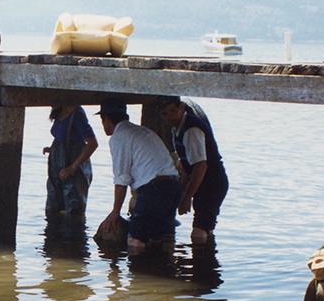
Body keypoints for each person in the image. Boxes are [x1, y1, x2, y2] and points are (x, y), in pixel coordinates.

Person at [97, 99, 181, 255]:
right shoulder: (142, 131)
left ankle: (140, 273)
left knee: (135, 240)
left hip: (154, 188)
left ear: (106, 119)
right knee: (162, 236)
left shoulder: (119, 137)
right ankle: (166, 271)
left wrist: (115, 212)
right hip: (174, 185)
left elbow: (121, 178)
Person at [160, 97, 229, 244]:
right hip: (204, 183)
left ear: (182, 108)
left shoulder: (191, 130)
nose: (170, 117)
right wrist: (182, 192)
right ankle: (207, 259)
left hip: (212, 183)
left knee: (198, 233)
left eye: (173, 111)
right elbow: (187, 168)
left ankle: (203, 263)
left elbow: (200, 166)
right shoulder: (177, 129)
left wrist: (187, 198)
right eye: (165, 114)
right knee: (205, 227)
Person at [43, 104, 98, 216]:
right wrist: (53, 149)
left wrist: (72, 168)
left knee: (73, 211)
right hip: (56, 170)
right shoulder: (59, 110)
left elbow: (93, 144)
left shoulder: (77, 114)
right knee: (52, 210)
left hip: (73, 171)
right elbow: (63, 136)